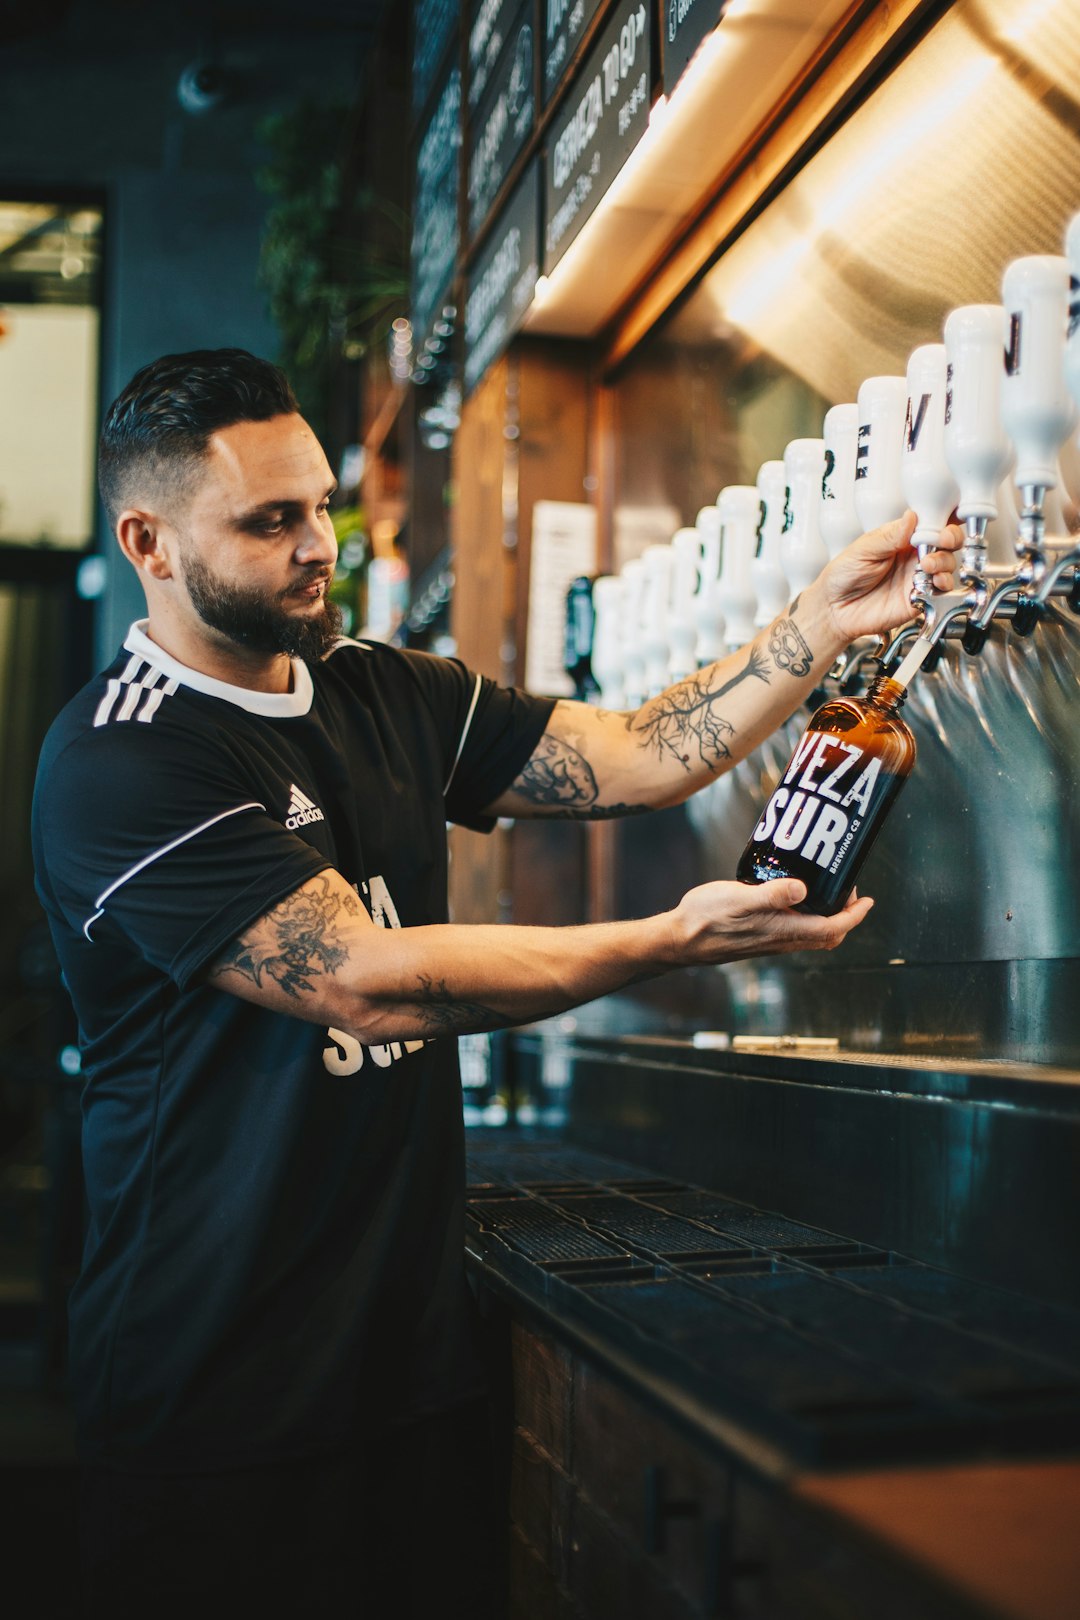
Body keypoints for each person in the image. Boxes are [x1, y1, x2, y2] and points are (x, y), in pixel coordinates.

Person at [32, 349, 961, 1617]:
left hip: (409, 1356)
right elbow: (366, 980)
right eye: (270, 522)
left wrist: (817, 622)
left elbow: (635, 756)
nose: (319, 547)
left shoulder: (382, 690)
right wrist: (664, 941)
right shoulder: (121, 758)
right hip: (220, 1378)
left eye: (321, 509)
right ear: (148, 540)